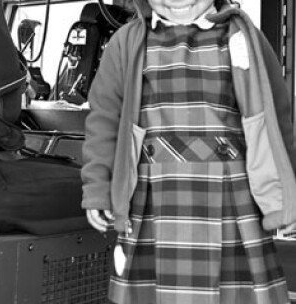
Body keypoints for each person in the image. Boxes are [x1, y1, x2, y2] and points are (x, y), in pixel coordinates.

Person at [81, 0, 296, 303]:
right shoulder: (126, 42)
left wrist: (286, 194)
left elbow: (274, 118)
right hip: (151, 199)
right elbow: (104, 121)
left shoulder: (242, 36)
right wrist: (97, 187)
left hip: (233, 199)